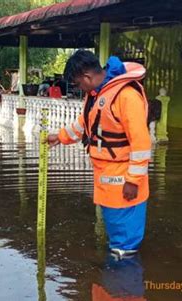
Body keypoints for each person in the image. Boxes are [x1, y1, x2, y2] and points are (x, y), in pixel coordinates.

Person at [47, 50, 151, 259]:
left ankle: (124, 281)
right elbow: (86, 123)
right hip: (106, 176)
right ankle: (113, 277)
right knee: (115, 228)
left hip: (124, 178)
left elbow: (141, 142)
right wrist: (60, 136)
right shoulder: (96, 95)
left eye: (77, 84)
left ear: (86, 77)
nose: (79, 88)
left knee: (125, 238)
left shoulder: (126, 96)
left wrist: (133, 180)